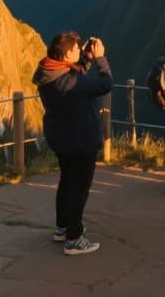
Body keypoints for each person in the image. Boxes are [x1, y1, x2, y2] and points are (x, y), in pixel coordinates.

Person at [33, 32, 114, 256]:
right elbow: (105, 84)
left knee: (67, 182)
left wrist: (85, 60)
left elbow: (76, 78)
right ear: (67, 54)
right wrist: (100, 59)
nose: (79, 51)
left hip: (61, 137)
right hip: (80, 139)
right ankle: (74, 238)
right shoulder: (69, 81)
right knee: (79, 188)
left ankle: (62, 228)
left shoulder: (48, 72)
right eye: (76, 49)